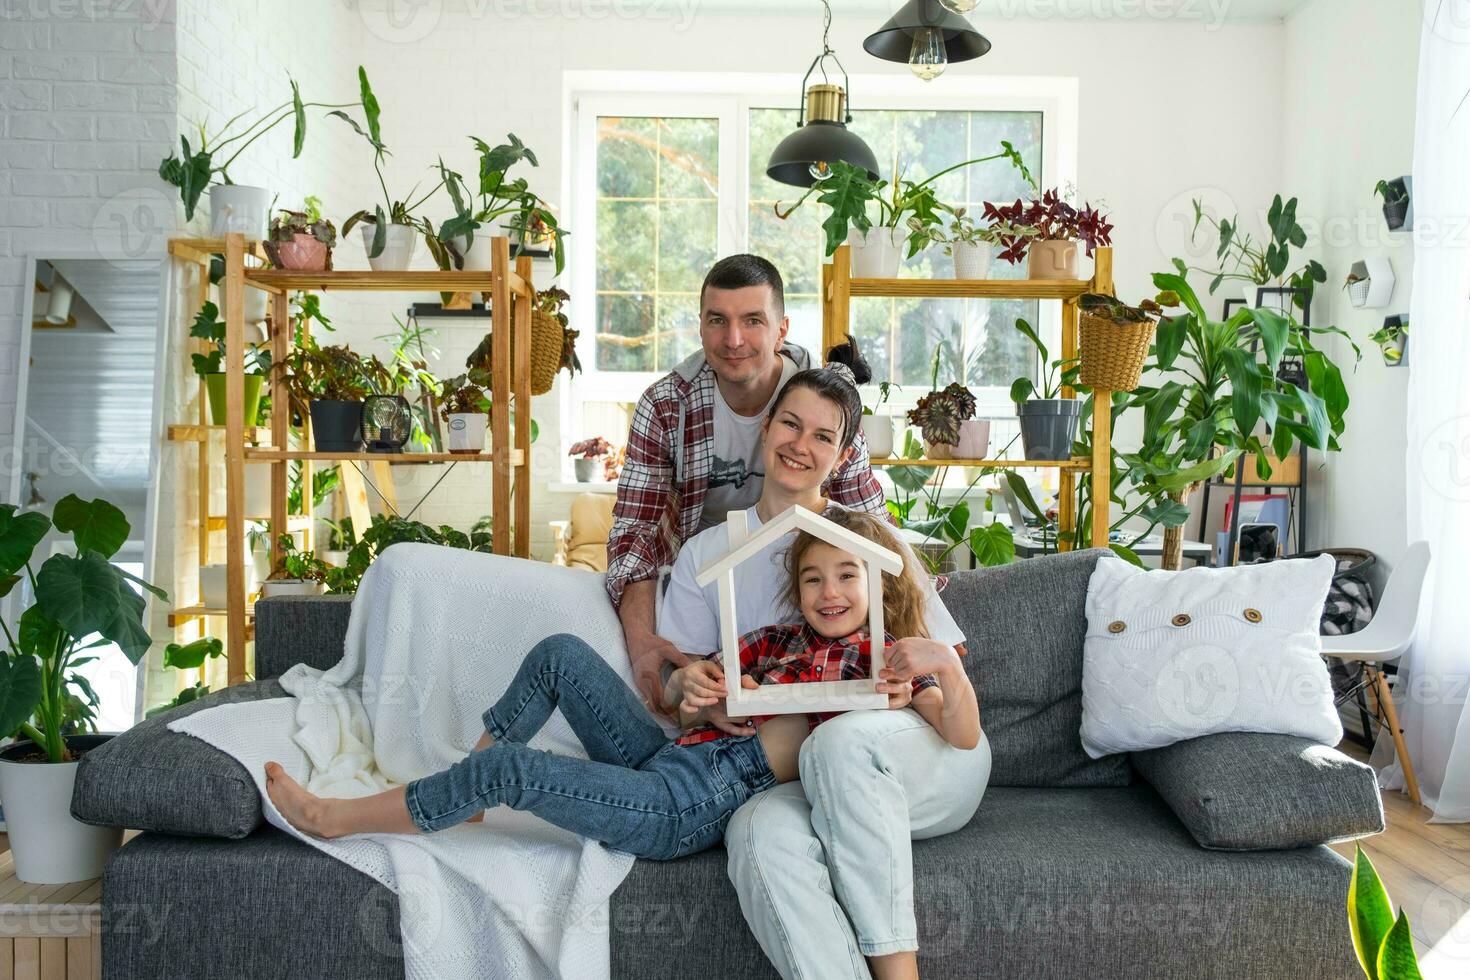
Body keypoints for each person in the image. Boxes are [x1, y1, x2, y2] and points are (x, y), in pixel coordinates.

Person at [258, 511, 977, 867]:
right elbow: (697, 685)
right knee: (561, 654)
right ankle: (467, 798)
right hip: (669, 755)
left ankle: (338, 818)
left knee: (516, 770)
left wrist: (942, 665)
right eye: (815, 578)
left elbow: (962, 733)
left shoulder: (883, 662)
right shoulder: (781, 642)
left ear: (877, 584)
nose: (829, 593)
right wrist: (704, 692)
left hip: (690, 804)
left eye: (847, 577)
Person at [656, 344, 991, 980]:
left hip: (915, 754)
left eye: (823, 436)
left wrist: (903, 688)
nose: (800, 445)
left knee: (838, 742)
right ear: (766, 427)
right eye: (790, 424)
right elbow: (684, 683)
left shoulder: (869, 540)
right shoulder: (709, 553)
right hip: (799, 775)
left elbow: (939, 670)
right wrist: (699, 690)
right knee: (755, 834)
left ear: (840, 458)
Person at [607, 254, 885, 710]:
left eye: (753, 320)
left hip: (804, 575)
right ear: (700, 326)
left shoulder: (824, 400)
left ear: (781, 330)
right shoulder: (666, 404)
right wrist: (643, 645)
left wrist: (917, 625)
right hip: (706, 578)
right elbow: (636, 532)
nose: (733, 339)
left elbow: (867, 521)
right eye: (718, 320)